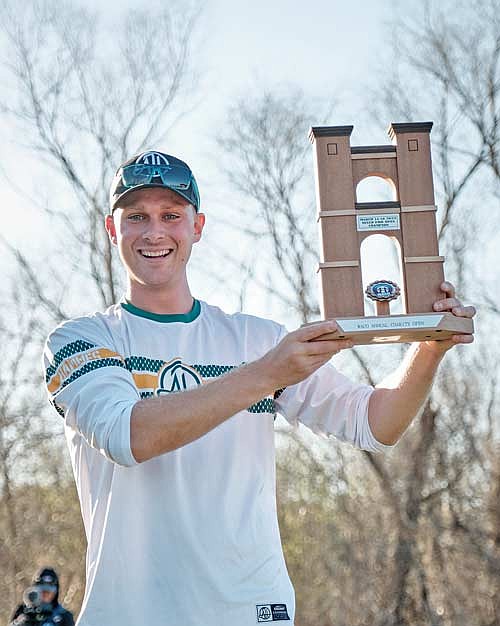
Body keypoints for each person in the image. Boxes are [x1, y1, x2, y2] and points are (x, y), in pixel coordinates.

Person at [42, 150, 475, 626]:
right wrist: (268, 374)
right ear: (112, 229)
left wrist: (431, 346)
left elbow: (376, 422)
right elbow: (129, 436)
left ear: (198, 226)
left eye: (171, 215)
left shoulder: (258, 339)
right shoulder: (80, 340)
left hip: (252, 613)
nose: (155, 232)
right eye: (137, 217)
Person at [9, 567, 75, 626]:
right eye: (42, 590)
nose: (45, 594)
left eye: (49, 591)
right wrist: (19, 623)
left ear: (56, 591)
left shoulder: (64, 616)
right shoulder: (23, 611)